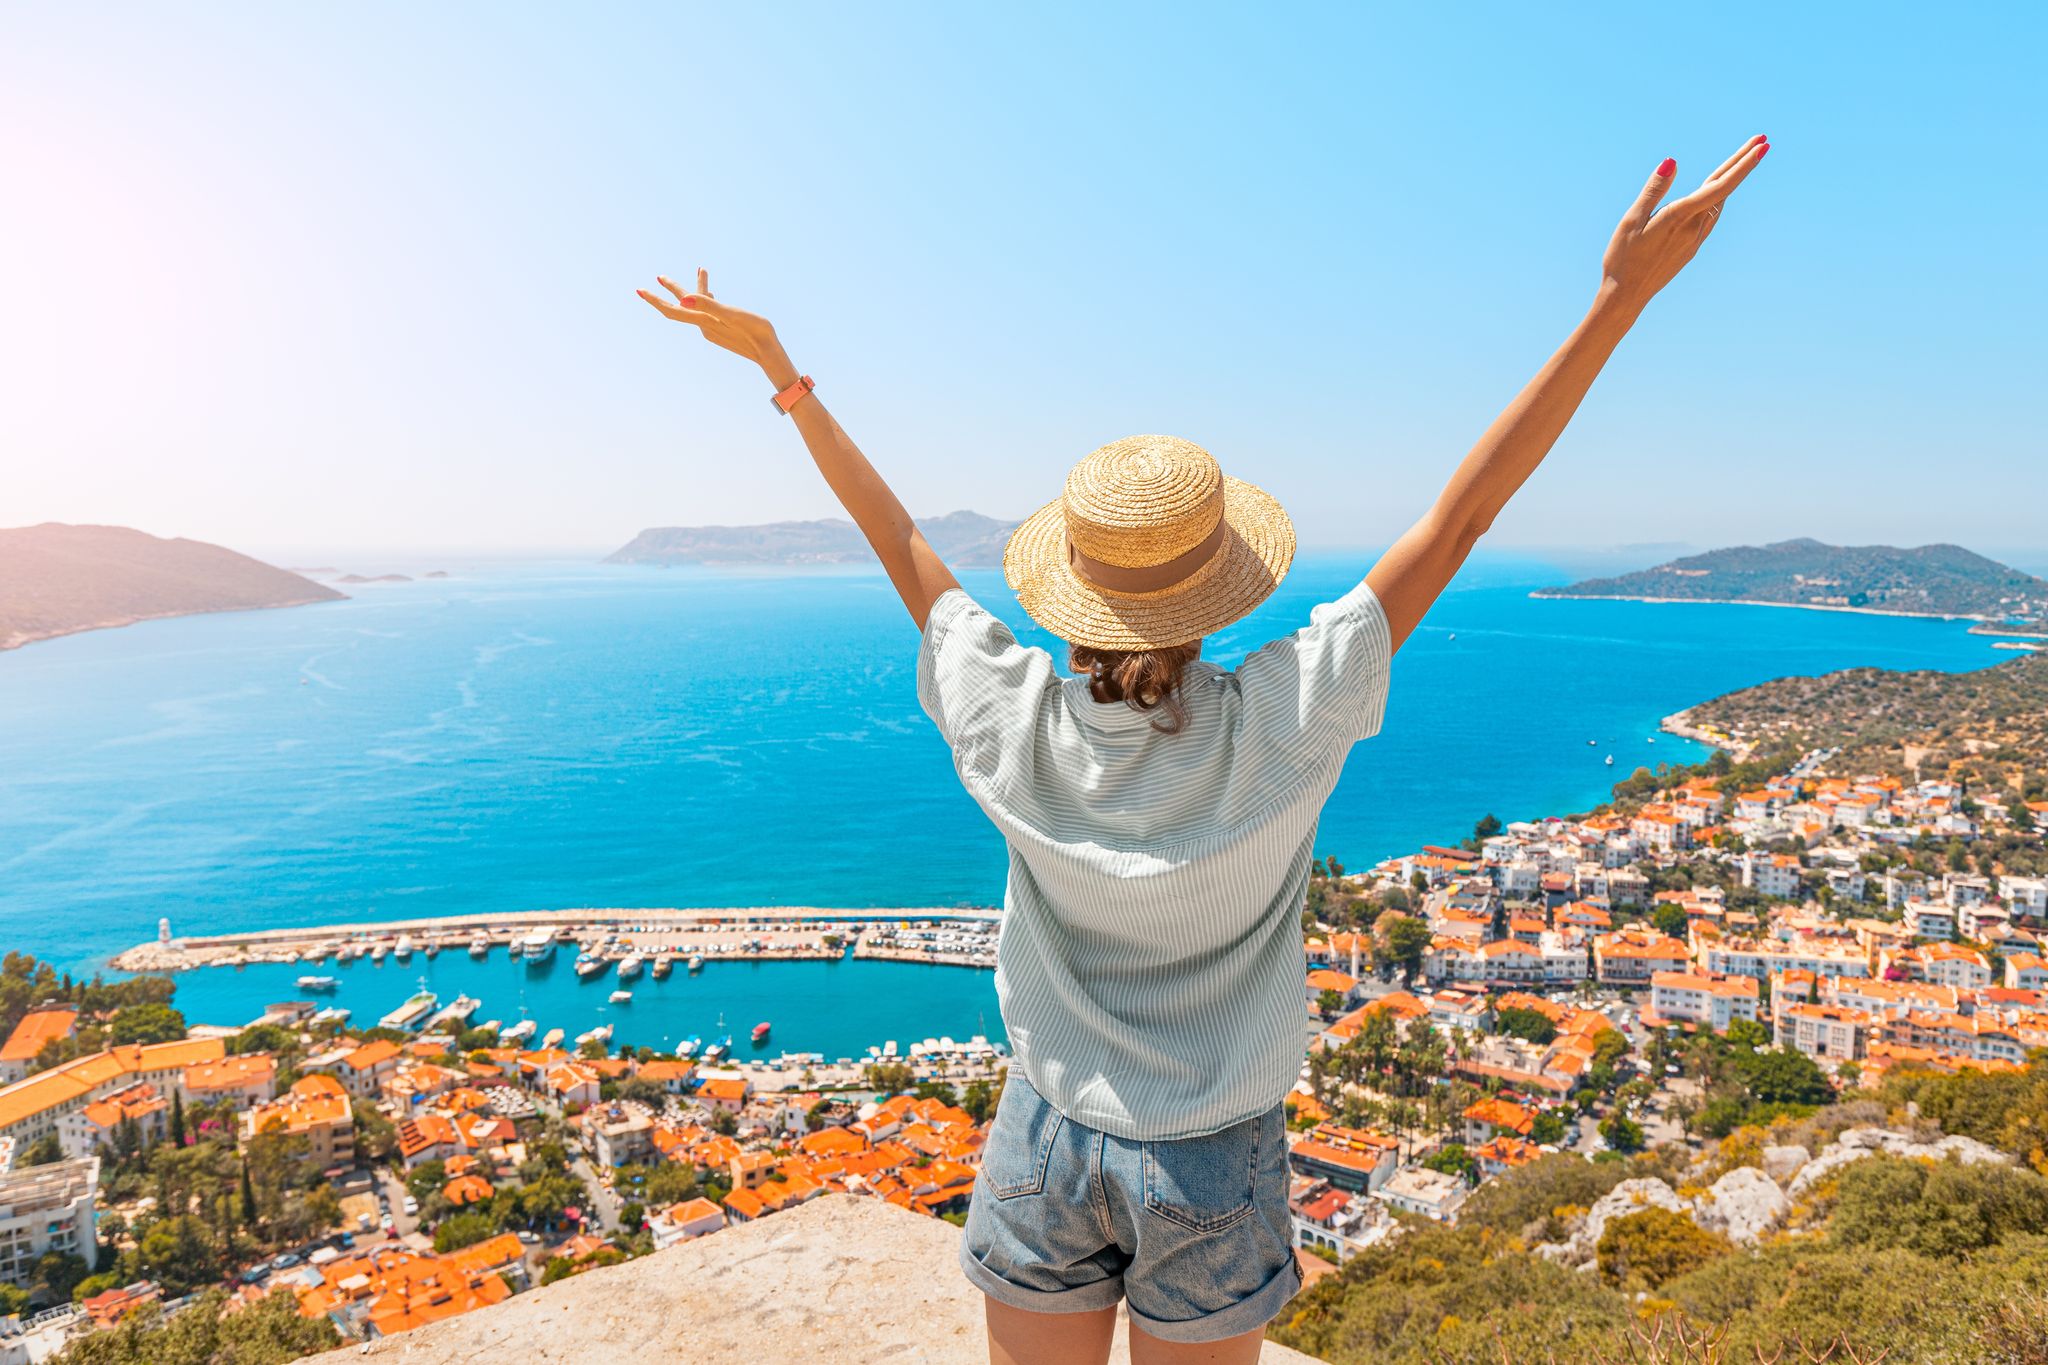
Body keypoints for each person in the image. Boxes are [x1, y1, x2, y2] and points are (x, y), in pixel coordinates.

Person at [638, 134, 1768, 1365]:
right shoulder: (1286, 715)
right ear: (1218, 591)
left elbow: (899, 541)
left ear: (1068, 596)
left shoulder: (1006, 713)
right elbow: (1463, 516)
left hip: (1044, 1133)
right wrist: (1616, 303)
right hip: (1214, 1148)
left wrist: (786, 377)